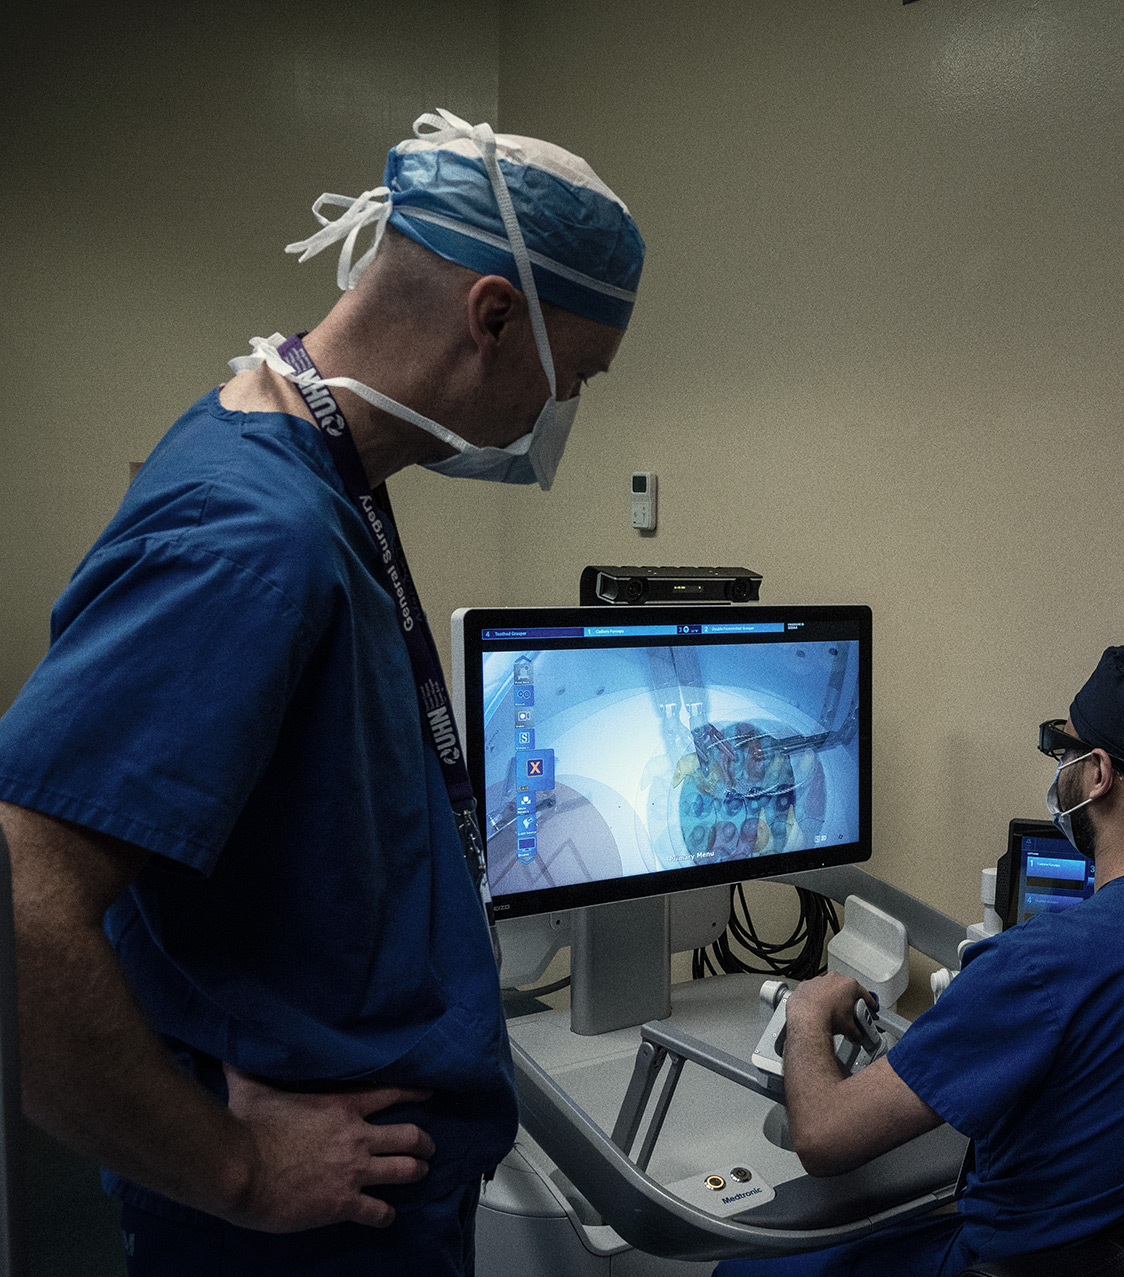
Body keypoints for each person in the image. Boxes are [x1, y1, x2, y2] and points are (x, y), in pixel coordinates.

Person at [0, 108, 643, 1274]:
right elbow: (22, 893)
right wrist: (233, 1167)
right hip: (299, 1228)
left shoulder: (301, 457)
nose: (566, 415)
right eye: (578, 376)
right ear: (492, 315)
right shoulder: (256, 538)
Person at [717, 646, 1124, 1277]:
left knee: (741, 1268)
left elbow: (823, 1139)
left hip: (1013, 1264)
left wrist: (807, 1008)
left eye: (1062, 748)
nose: (1060, 767)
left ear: (1097, 774)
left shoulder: (1039, 967)